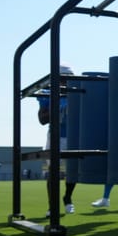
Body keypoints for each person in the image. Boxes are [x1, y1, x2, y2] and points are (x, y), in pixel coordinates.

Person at [38, 63, 77, 217]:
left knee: (72, 171)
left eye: (67, 79)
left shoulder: (76, 92)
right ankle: (51, 206)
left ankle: (67, 198)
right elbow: (42, 119)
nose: (64, 82)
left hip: (74, 135)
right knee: (53, 172)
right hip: (55, 136)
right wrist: (57, 110)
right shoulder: (48, 93)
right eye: (61, 79)